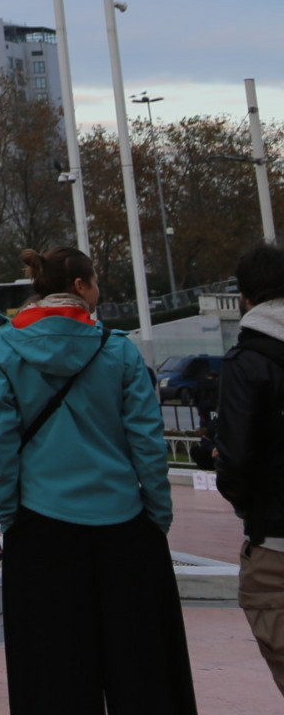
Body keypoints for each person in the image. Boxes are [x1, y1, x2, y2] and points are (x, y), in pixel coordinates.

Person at [0, 245, 196, 713]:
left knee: (54, 678)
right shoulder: (117, 349)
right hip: (124, 526)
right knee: (141, 675)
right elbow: (147, 443)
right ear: (80, 286)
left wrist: (9, 514)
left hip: (41, 526)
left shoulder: (2, 348)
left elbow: (0, 444)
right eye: (96, 279)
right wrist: (156, 514)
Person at [217, 239, 284, 693]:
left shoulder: (248, 362)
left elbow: (238, 459)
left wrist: (242, 496)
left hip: (276, 542)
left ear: (245, 296)